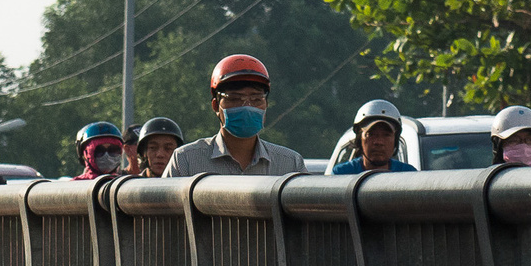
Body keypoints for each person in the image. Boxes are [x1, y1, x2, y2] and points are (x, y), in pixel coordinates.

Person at [163, 54, 305, 176]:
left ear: (266, 105)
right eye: (235, 99)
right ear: (215, 106)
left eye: (256, 99)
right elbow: (163, 207)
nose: (247, 107)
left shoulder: (290, 165)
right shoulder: (185, 161)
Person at [331, 100, 416, 175]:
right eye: (371, 134)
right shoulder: (342, 174)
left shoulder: (408, 174)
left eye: (386, 135)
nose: (379, 142)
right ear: (359, 139)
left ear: (395, 139)